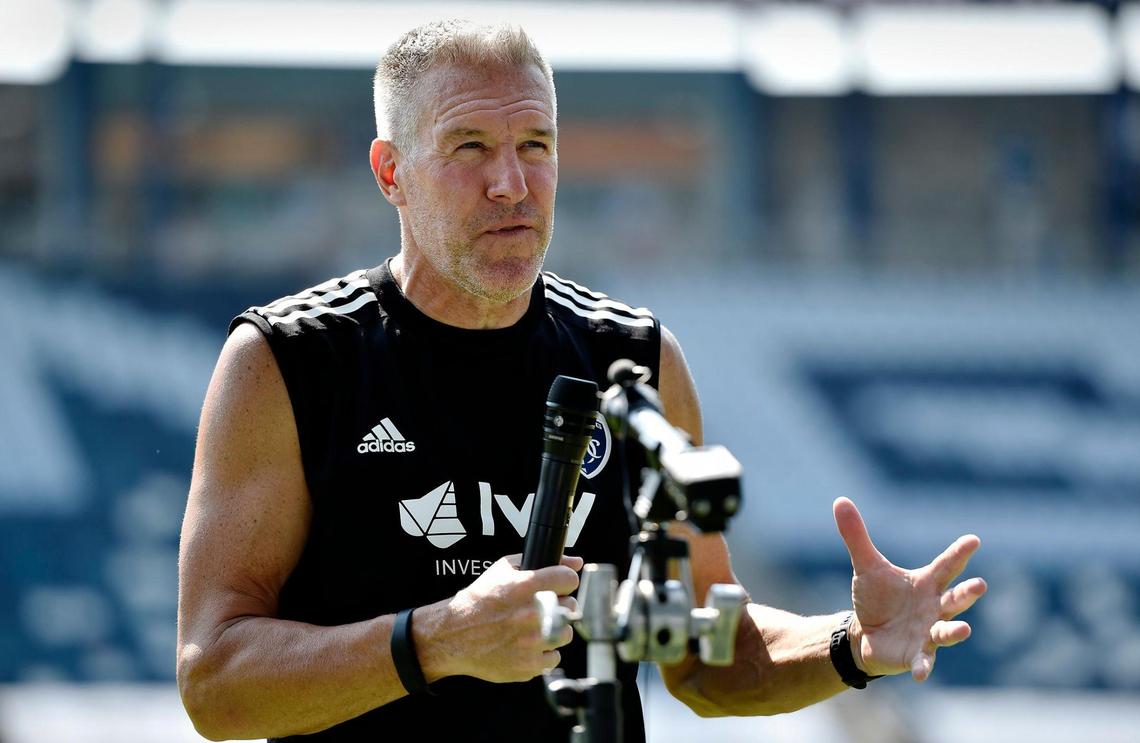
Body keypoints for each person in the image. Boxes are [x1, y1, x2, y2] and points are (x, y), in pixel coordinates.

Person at [176, 19, 987, 743]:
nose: (512, 184)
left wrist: (849, 644)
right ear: (391, 172)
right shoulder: (287, 360)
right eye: (470, 148)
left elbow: (708, 658)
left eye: (536, 144)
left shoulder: (635, 361)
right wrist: (435, 639)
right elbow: (213, 680)